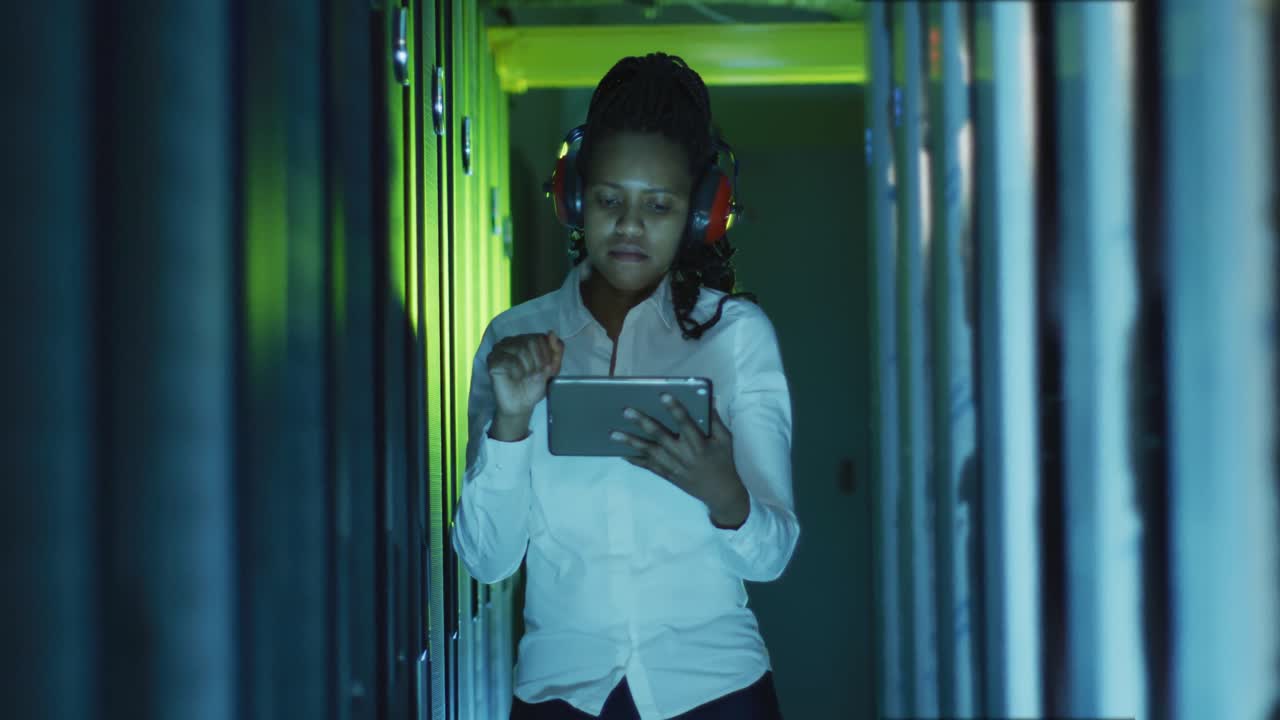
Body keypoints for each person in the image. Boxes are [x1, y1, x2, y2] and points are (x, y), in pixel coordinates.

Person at [452, 52, 800, 720]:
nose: (630, 226)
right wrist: (511, 426)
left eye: (660, 205)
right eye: (610, 199)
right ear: (575, 197)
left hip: (717, 691)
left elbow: (772, 555)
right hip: (561, 694)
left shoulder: (737, 337)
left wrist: (723, 489)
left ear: (701, 214)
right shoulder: (514, 338)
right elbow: (488, 560)